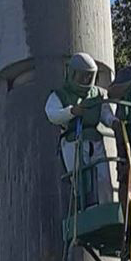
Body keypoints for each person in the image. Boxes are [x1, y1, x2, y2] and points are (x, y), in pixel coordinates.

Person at [45, 52, 119, 206]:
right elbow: (52, 114)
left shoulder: (97, 94)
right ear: (72, 74)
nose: (85, 80)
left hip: (96, 140)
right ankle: (83, 207)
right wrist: (72, 111)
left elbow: (105, 113)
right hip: (73, 140)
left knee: (103, 178)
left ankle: (105, 205)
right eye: (81, 76)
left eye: (89, 77)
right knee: (80, 178)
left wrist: (113, 122)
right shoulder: (60, 95)